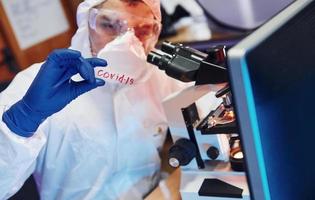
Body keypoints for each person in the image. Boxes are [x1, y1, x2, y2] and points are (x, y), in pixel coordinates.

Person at [0, 0, 196, 199]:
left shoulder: (159, 78)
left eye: (143, 31)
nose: (126, 43)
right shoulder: (38, 85)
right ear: (86, 21)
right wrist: (22, 120)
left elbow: (206, 106)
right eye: (109, 25)